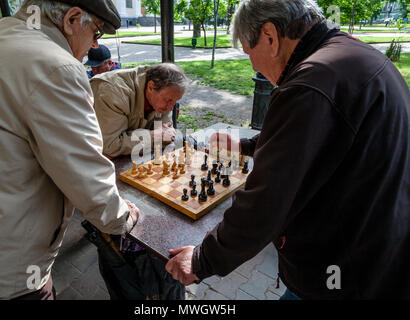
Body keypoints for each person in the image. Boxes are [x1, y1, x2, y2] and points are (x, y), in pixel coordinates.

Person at [166, 0, 410, 299]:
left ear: (269, 35)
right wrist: (246, 146)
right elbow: (319, 139)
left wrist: (203, 259)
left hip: (341, 268)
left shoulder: (309, 82)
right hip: (378, 248)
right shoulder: (356, 55)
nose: (253, 65)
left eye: (248, 52)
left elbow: (267, 200)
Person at [0, 0, 141, 299]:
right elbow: (89, 183)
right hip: (6, 271)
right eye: (96, 34)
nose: (93, 47)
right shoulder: (56, 66)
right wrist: (124, 217)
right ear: (72, 19)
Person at [90, 63, 188, 158]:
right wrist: (153, 137)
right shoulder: (112, 92)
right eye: (169, 100)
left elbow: (164, 137)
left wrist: (159, 136)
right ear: (151, 87)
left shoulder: (165, 93)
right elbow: (110, 146)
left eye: (175, 101)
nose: (171, 108)